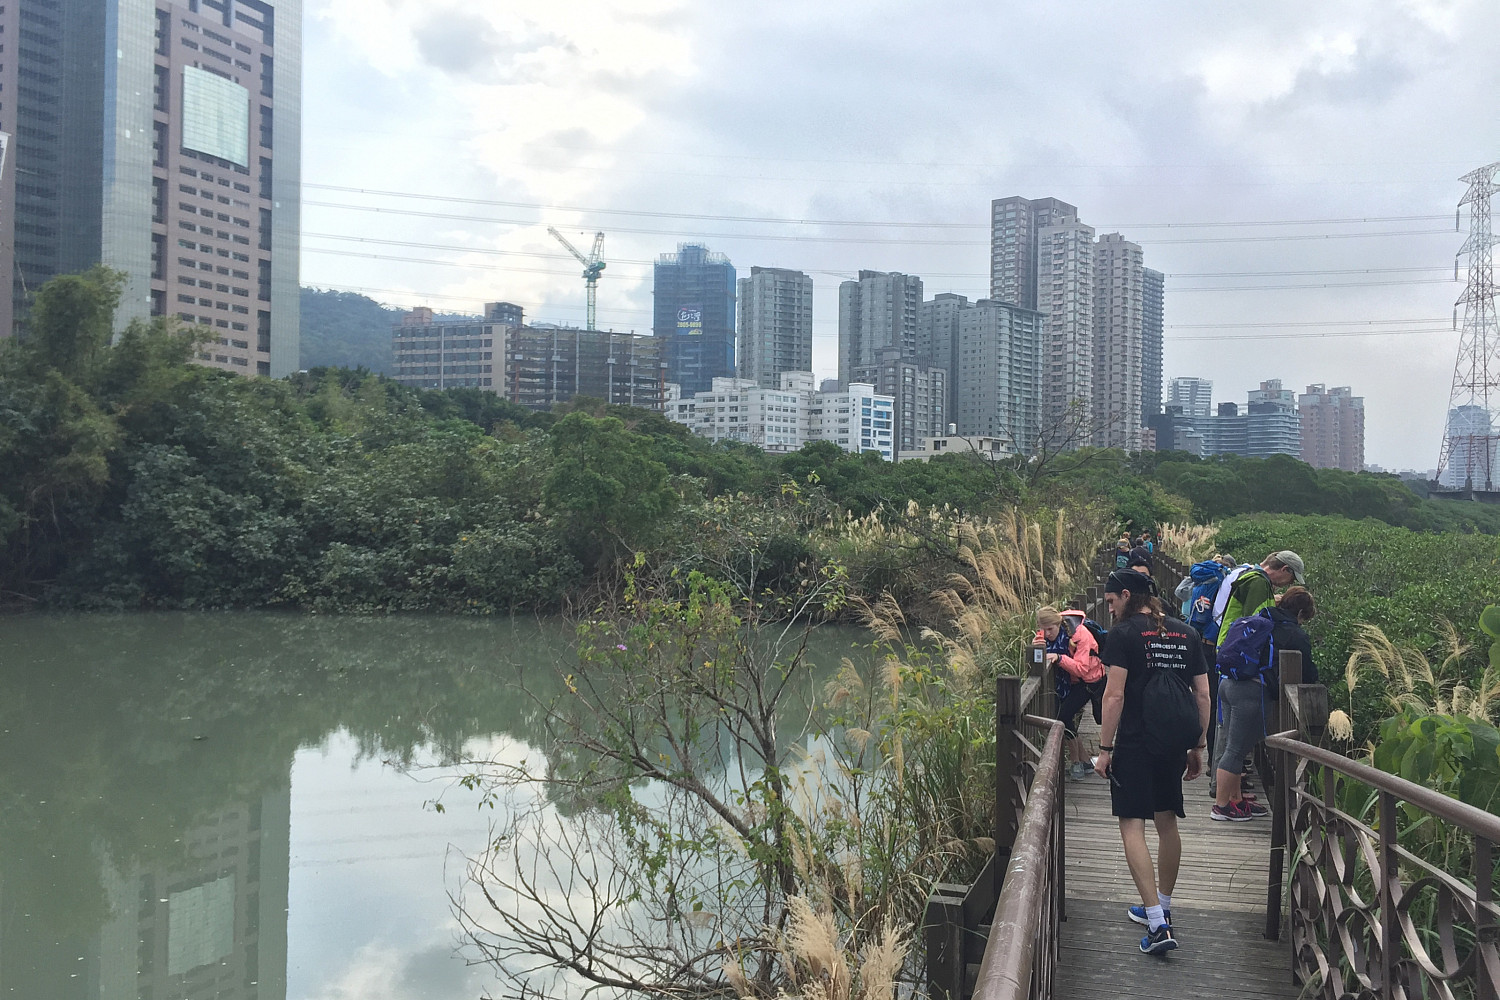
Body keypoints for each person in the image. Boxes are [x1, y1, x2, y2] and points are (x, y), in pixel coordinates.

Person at [1093, 569, 1211, 956]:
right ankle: (1164, 905)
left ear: (1126, 595)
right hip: (1173, 741)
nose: (1110, 610)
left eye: (1111, 602)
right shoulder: (1186, 633)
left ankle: (1157, 923)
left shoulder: (1123, 636)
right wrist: (1198, 745)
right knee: (1166, 821)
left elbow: (1114, 696)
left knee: (1132, 824)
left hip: (1134, 741)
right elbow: (1203, 695)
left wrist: (1105, 749)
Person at [1212, 586, 1317, 821]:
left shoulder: (1263, 618)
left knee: (1235, 745)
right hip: (1249, 690)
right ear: (1300, 612)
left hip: (1228, 684)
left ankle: (1236, 801)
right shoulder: (1292, 633)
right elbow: (1309, 672)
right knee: (1236, 749)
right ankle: (1221, 806)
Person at [1037, 606, 1106, 779]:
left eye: (1050, 629)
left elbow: (1082, 669)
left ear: (1058, 623)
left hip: (1091, 682)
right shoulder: (1051, 631)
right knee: (1065, 718)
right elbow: (1040, 645)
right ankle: (1083, 762)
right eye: (1042, 630)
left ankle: (1076, 762)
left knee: (1062, 716)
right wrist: (1037, 647)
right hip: (1073, 681)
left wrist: (1059, 658)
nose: (1046, 634)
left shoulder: (1080, 634)